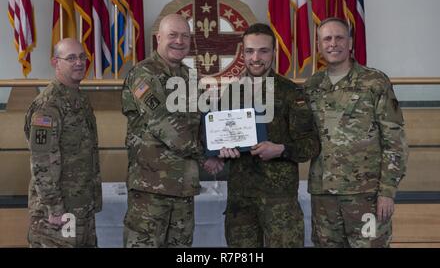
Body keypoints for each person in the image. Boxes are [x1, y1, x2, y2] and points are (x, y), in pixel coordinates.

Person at [206, 23, 320, 247]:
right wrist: (220, 152)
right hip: (241, 200)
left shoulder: (291, 93)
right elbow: (220, 137)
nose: (255, 58)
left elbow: (311, 144)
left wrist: (280, 149)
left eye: (263, 51)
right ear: (243, 53)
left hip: (279, 201)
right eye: (249, 51)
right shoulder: (231, 91)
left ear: (274, 53)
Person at [304, 17, 408, 248]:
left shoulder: (374, 82)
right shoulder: (311, 86)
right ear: (319, 46)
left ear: (350, 42)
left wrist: (387, 192)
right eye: (327, 39)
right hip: (324, 196)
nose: (333, 43)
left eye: (339, 37)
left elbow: (394, 140)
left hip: (366, 195)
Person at [121, 14, 211, 247]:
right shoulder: (143, 75)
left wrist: (220, 146)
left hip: (184, 189)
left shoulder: (191, 78)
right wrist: (206, 154)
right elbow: (161, 122)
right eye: (173, 35)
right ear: (158, 38)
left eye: (185, 36)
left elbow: (203, 122)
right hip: (151, 189)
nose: (179, 41)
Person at [24, 38, 102, 248]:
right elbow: (42, 161)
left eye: (82, 57)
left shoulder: (79, 99)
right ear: (55, 62)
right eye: (71, 58)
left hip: (80, 206)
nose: (78, 62)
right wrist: (54, 207)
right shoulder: (48, 105)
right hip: (58, 212)